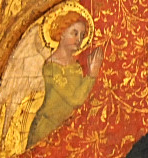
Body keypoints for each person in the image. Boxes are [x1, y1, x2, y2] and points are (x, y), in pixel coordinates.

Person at [27, 10, 103, 148]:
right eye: (74, 33)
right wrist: (91, 75)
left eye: (82, 35)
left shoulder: (76, 66)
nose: (79, 39)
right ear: (62, 33)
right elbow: (75, 100)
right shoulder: (51, 67)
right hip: (46, 130)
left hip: (65, 131)